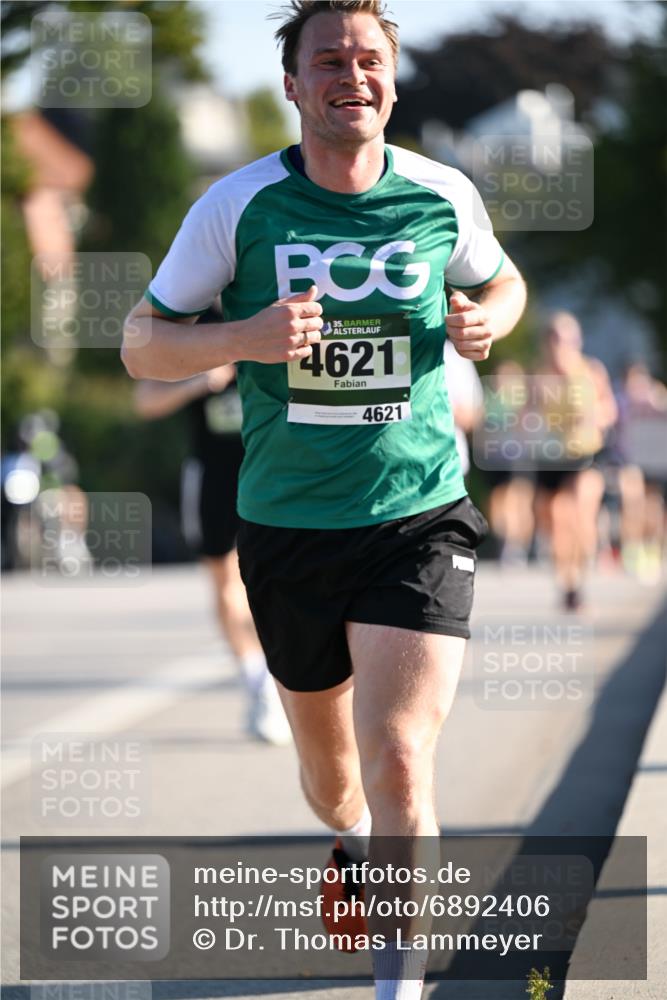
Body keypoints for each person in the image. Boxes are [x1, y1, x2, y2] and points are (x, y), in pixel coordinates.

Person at [121, 2, 526, 996]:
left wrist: (486, 321)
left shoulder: (441, 193)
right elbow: (141, 344)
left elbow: (503, 283)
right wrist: (240, 338)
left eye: (368, 58)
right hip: (288, 526)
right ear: (293, 86)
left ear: (391, 78)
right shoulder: (237, 205)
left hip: (417, 513)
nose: (352, 74)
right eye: (329, 60)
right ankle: (347, 842)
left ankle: (398, 980)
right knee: (336, 781)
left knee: (400, 761)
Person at [133, 320, 292, 745]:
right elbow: (145, 400)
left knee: (279, 581)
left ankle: (288, 676)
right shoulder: (189, 320)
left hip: (274, 470)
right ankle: (257, 680)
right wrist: (197, 383)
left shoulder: (274, 307)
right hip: (213, 475)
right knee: (224, 582)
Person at [532, 311, 617, 610]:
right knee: (556, 520)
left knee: (581, 509)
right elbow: (525, 416)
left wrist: (593, 417)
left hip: (585, 452)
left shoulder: (591, 371)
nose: (562, 345)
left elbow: (610, 409)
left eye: (569, 339)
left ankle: (581, 574)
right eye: (555, 338)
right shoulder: (538, 376)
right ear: (547, 342)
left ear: (578, 341)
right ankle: (567, 581)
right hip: (551, 456)